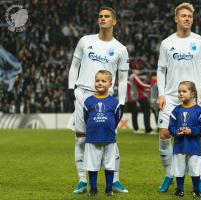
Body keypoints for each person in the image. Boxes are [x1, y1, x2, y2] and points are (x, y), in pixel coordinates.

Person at [156, 2, 201, 193]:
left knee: (199, 135)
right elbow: (161, 70)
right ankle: (169, 175)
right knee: (164, 134)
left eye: (189, 16)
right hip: (172, 96)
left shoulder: (200, 41)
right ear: (176, 18)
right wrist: (161, 93)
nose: (187, 19)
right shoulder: (167, 43)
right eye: (183, 16)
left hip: (193, 97)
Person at [68, 7, 129, 194]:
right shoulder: (85, 41)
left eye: (107, 16)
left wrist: (122, 102)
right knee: (80, 138)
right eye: (100, 16)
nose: (103, 19)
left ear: (114, 21)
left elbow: (122, 79)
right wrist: (72, 90)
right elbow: (74, 66)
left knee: (111, 139)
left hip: (107, 99)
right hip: (83, 94)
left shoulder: (120, 49)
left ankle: (115, 180)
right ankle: (82, 181)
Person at [83, 70, 120, 196]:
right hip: (92, 138)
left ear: (110, 84)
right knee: (92, 165)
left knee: (110, 165)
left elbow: (116, 119)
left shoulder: (114, 102)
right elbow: (86, 117)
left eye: (103, 81)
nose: (99, 83)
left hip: (109, 138)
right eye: (97, 80)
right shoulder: (88, 101)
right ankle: (93, 189)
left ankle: (109, 189)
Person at [169, 81, 201, 198]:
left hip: (194, 145)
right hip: (179, 145)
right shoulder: (176, 110)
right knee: (179, 168)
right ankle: (179, 189)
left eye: (184, 91)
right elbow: (171, 126)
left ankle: (196, 190)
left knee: (195, 168)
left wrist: (192, 131)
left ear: (192, 94)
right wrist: (176, 132)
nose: (181, 93)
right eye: (179, 91)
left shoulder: (199, 110)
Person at [127, 67, 153, 134]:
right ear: (133, 70)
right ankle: (148, 130)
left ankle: (137, 129)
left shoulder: (130, 77)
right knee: (146, 112)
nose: (139, 71)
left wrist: (146, 89)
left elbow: (138, 86)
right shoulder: (134, 76)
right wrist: (152, 86)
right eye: (137, 69)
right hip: (139, 96)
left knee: (135, 113)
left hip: (135, 96)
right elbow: (141, 84)